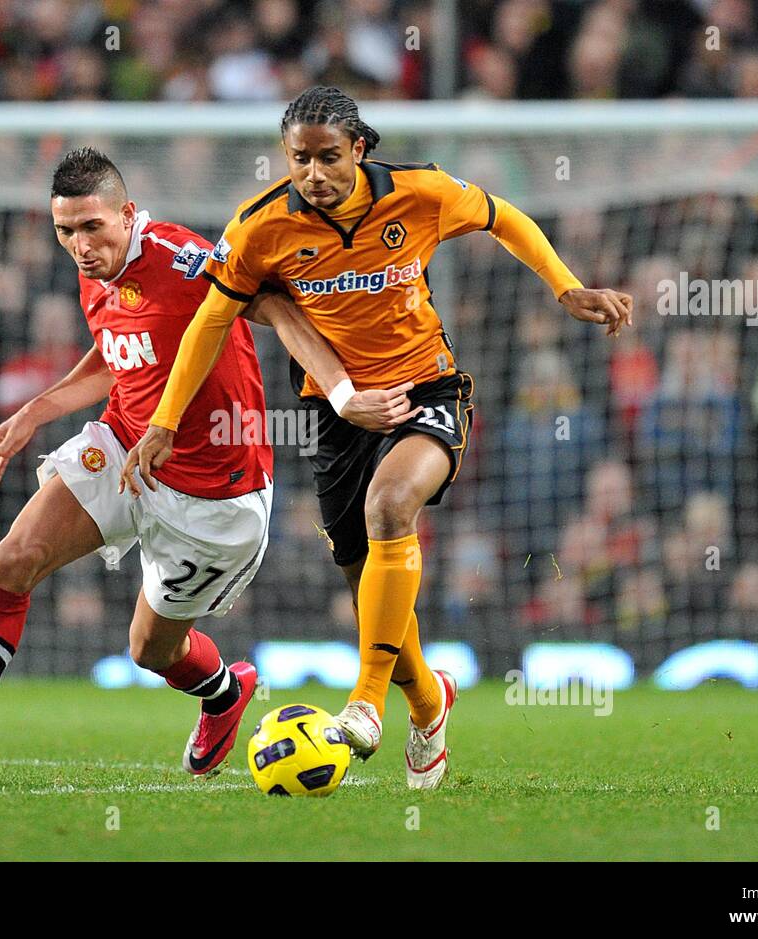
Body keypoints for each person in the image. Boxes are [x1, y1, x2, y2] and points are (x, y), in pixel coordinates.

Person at [123, 86, 633, 788]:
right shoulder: (260, 227)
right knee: (372, 593)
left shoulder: (417, 193)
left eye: (329, 156)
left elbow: (502, 215)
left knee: (392, 505)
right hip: (339, 417)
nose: (314, 173)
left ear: (359, 148)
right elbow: (212, 320)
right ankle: (429, 701)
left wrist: (565, 285)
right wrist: (163, 423)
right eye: (299, 159)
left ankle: (365, 704)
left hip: (428, 388)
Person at [0, 147, 409, 786]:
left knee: (151, 650)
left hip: (216, 497)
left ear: (127, 215)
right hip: (124, 446)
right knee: (13, 560)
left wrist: (344, 395)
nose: (78, 244)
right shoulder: (92, 271)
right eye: (64, 231)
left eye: (91, 227)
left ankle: (223, 693)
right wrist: (35, 412)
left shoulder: (185, 261)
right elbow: (116, 355)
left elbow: (280, 310)